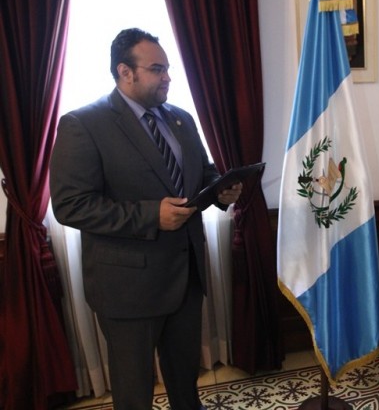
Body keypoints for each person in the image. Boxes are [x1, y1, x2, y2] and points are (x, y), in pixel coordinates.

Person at [50, 28, 242, 410]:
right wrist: (151, 216)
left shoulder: (182, 119)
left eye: (167, 68)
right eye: (157, 69)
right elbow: (70, 205)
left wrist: (222, 189)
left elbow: (203, 174)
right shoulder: (83, 124)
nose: (168, 77)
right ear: (125, 72)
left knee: (185, 380)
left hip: (185, 277)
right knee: (134, 393)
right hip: (127, 289)